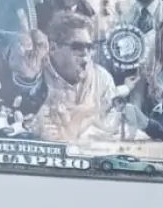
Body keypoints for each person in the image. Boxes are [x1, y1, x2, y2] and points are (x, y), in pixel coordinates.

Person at [30, 12, 127, 144]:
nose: (86, 54)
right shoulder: (33, 76)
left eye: (89, 47)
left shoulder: (102, 79)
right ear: (53, 48)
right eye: (77, 47)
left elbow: (113, 129)